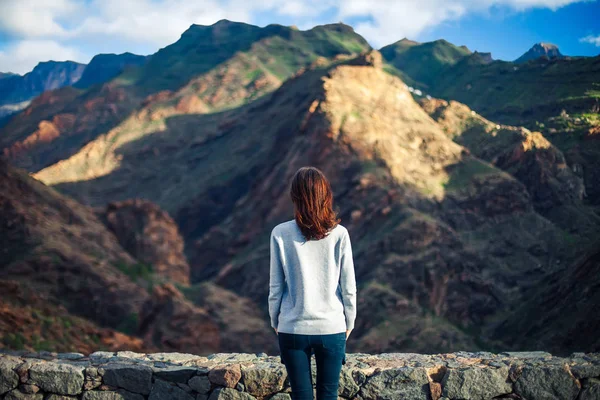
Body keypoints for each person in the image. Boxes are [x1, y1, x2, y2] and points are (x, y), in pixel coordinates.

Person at [268, 166, 357, 400]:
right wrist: (349, 321)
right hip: (332, 327)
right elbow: (348, 287)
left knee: (300, 395)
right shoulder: (340, 234)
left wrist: (275, 319)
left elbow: (276, 287)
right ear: (325, 195)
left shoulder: (280, 233)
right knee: (329, 394)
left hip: (292, 327)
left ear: (295, 196)